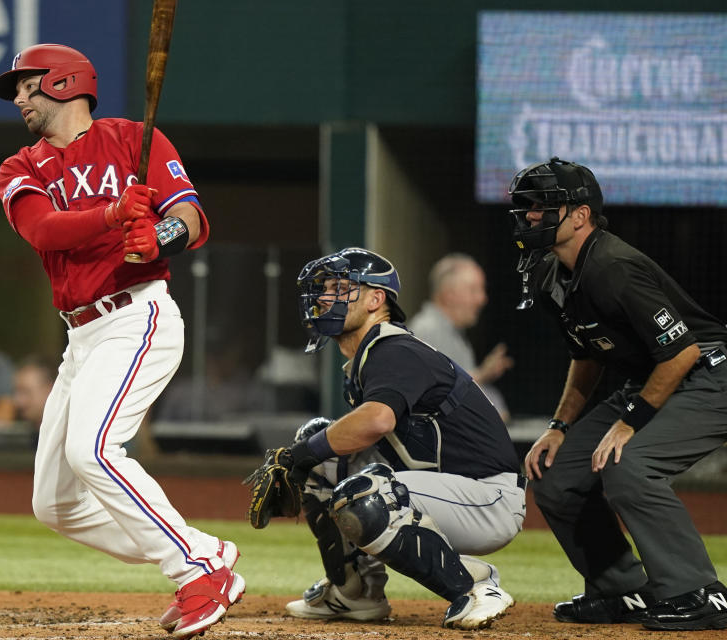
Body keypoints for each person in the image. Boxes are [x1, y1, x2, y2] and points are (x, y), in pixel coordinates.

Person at [0, 43, 243, 640]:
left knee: (93, 450)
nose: (19, 98)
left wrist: (158, 237)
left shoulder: (136, 139)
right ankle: (202, 549)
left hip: (137, 316)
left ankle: (197, 570)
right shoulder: (19, 167)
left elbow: (192, 218)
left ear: (63, 82)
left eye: (27, 85)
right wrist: (110, 215)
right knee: (53, 505)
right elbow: (43, 230)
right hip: (80, 335)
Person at [510, 157, 727, 631]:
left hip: (710, 371)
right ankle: (622, 590)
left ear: (581, 215)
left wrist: (630, 424)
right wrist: (559, 427)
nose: (530, 217)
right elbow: (587, 355)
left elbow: (682, 351)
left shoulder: (613, 266)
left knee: (629, 464)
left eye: (544, 207)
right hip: (652, 377)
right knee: (554, 478)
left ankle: (699, 591)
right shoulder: (551, 274)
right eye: (527, 208)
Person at [258, 247, 525, 629]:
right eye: (324, 289)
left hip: (487, 497)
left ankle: (476, 586)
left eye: (338, 287)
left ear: (375, 298)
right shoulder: (372, 355)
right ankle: (355, 592)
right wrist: (310, 452)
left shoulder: (392, 348)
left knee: (364, 493)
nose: (323, 298)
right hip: (449, 487)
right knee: (323, 449)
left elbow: (377, 420)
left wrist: (301, 454)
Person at [409, 253, 514, 421]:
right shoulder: (428, 330)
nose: (482, 299)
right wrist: (483, 374)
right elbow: (439, 395)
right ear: (448, 294)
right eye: (473, 290)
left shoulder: (454, 335)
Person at [12, 354, 57, 427]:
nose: (18, 401)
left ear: (50, 389)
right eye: (17, 392)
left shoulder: (71, 433)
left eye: (26, 392)